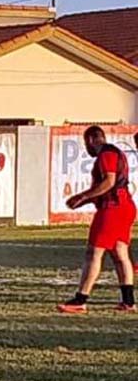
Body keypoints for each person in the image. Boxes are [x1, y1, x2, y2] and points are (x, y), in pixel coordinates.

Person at [58, 125, 136, 313]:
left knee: (94, 252)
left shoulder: (106, 154)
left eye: (86, 143)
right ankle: (129, 301)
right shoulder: (117, 153)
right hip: (124, 205)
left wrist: (83, 196)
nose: (87, 147)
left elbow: (109, 182)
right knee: (120, 254)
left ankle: (80, 300)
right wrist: (84, 200)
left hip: (113, 208)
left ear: (92, 139)